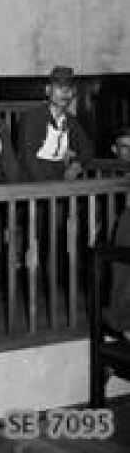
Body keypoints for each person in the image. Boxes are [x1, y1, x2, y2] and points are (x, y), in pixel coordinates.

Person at [18, 66, 93, 182]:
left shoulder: (70, 121)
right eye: (59, 87)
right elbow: (28, 158)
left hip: (60, 183)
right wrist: (49, 189)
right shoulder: (33, 117)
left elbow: (87, 148)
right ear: (48, 90)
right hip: (32, 186)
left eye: (68, 88)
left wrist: (76, 165)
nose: (64, 92)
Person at [105, 127, 130, 340]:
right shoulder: (106, 176)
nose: (129, 152)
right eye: (124, 147)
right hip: (113, 234)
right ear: (114, 150)